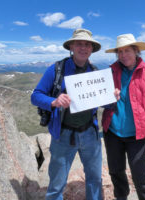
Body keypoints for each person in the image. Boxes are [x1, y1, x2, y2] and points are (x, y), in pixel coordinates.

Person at [31, 28, 103, 200]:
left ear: (92, 48)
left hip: (90, 134)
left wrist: (113, 96)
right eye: (79, 44)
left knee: (94, 179)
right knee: (57, 184)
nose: (83, 48)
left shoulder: (95, 72)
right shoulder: (56, 70)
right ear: (71, 46)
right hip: (63, 134)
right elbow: (36, 96)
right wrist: (53, 102)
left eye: (87, 45)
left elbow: (104, 102)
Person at [102, 33, 145, 200]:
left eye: (127, 50)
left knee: (140, 174)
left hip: (137, 133)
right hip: (113, 132)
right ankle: (121, 197)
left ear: (136, 51)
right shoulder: (110, 71)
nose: (123, 55)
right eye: (120, 52)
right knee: (116, 171)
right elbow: (100, 100)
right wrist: (108, 98)